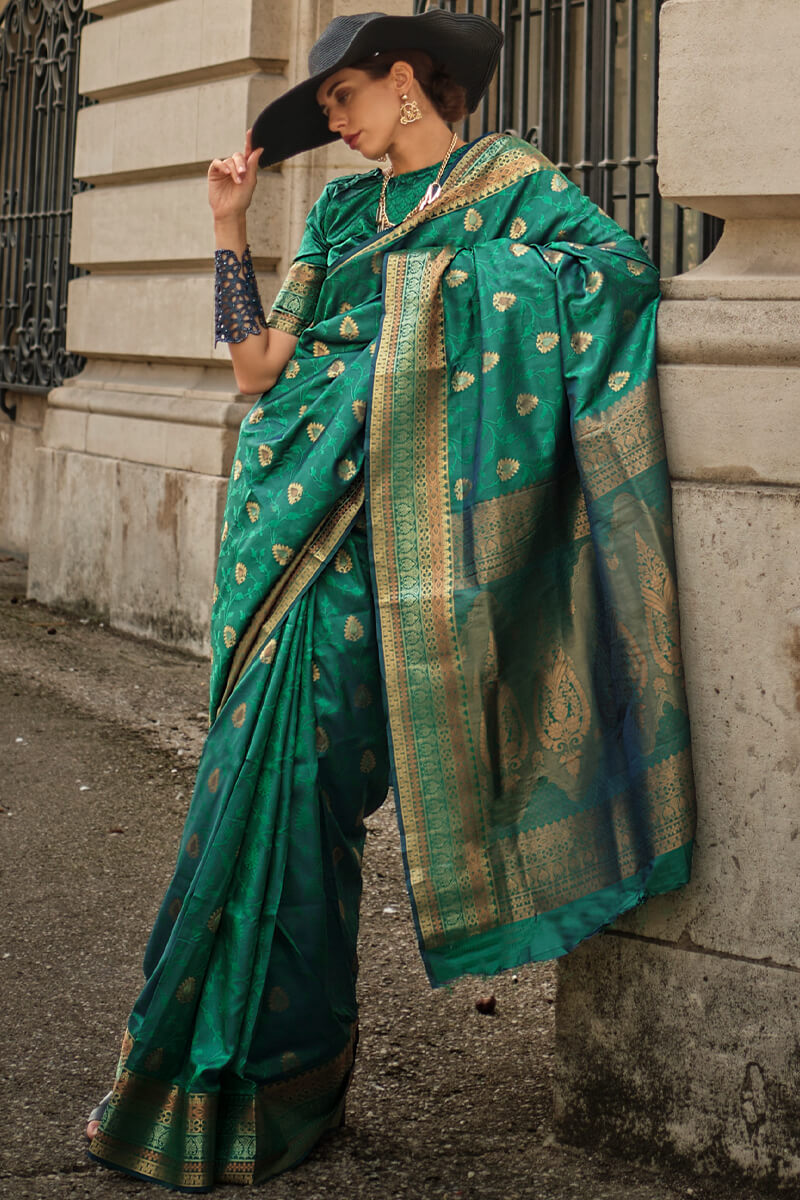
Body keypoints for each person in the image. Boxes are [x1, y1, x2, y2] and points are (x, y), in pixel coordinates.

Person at [85, 9, 696, 1192]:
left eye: (342, 95)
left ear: (407, 81)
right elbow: (257, 367)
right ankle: (230, 1081)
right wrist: (226, 232)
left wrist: (442, 299)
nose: (333, 117)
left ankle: (284, 1072)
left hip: (404, 558)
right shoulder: (334, 213)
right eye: (323, 107)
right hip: (291, 536)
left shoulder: (514, 187)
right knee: (253, 789)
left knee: (314, 787)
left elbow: (614, 276)